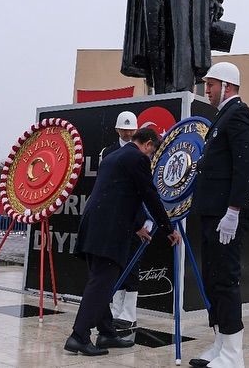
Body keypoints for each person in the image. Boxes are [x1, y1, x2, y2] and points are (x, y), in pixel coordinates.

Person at [65, 128, 180, 357]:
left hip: (93, 226)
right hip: (108, 231)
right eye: (152, 151)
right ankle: (78, 336)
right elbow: (149, 194)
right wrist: (168, 229)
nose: (150, 155)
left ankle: (106, 332)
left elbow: (121, 194)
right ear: (147, 144)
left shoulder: (113, 157)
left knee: (101, 282)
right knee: (101, 284)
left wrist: (138, 225)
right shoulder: (137, 159)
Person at [190, 62, 249, 368]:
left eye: (210, 84)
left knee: (225, 279)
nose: (207, 90)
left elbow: (245, 167)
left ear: (226, 86)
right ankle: (220, 344)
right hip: (211, 213)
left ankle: (233, 353)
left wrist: (234, 210)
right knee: (212, 278)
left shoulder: (239, 114)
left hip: (225, 215)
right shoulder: (222, 117)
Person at [100, 110, 145, 329]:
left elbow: (143, 189)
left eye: (131, 129)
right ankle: (115, 311)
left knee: (132, 265)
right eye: (125, 129)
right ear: (118, 129)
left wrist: (143, 221)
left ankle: (129, 314)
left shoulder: (141, 152)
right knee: (114, 263)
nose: (128, 133)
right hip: (114, 218)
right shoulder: (107, 152)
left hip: (135, 216)